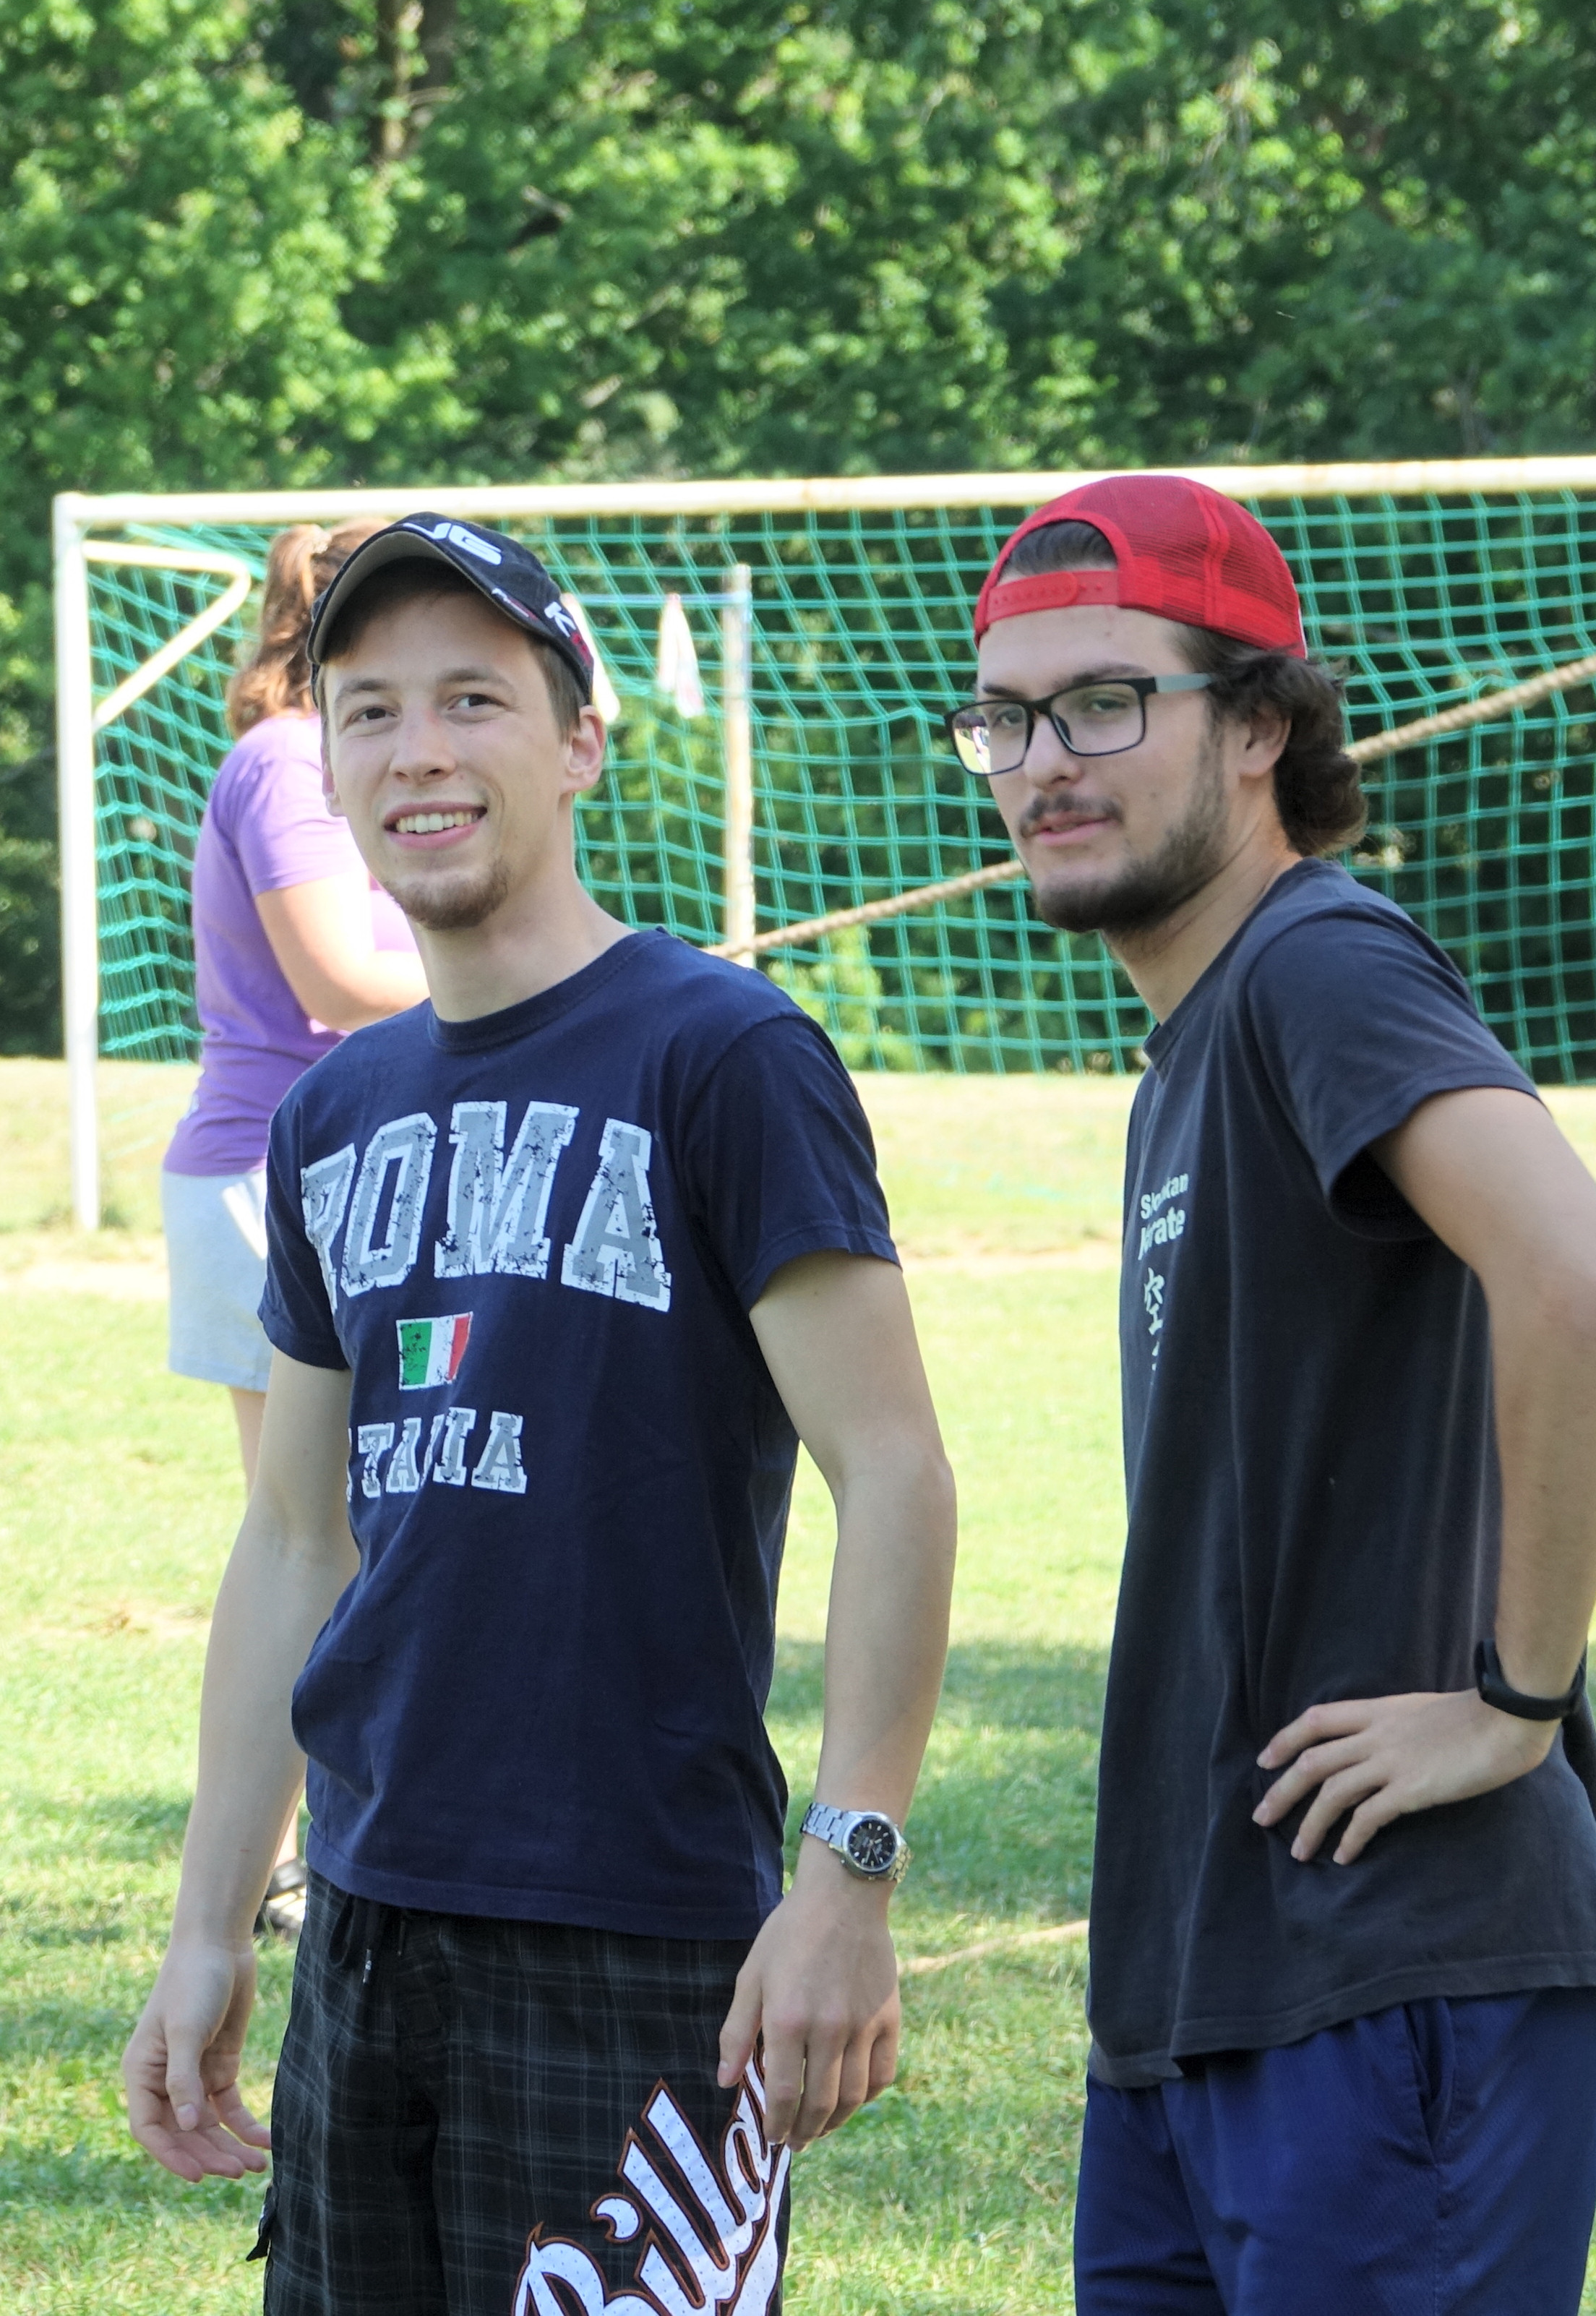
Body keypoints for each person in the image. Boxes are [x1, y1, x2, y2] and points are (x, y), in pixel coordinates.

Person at [124, 513, 957, 2315]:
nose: (416, 750)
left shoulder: (720, 1053)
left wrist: (849, 1875)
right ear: (325, 765)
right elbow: (294, 1538)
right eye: (368, 711)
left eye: (472, 700)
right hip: (365, 1920)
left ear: (578, 742)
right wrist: (209, 1923)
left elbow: (891, 1470)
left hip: (638, 1931)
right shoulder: (334, 1111)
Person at [951, 475, 1596, 2315]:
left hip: (1387, 1969)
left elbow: (1581, 1278)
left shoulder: (1312, 965)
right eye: (1005, 720)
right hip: (1205, 1985)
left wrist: (1511, 1703)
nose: (1043, 763)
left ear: (1258, 726)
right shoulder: (1189, 1044)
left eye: (1105, 703)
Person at [161, 520, 428, 1943]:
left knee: (337, 1527)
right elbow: (334, 978)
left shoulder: (312, 755)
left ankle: (315, 1843)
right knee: (307, 1533)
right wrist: (560, 973)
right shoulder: (284, 761)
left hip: (328, 1174)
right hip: (272, 1182)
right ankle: (282, 1859)